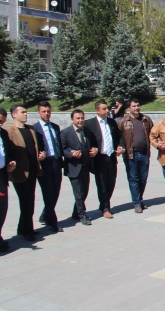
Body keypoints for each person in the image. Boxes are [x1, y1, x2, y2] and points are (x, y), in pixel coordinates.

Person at [5, 105, 45, 241]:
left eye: (26, 112)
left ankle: (22, 228)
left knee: (30, 200)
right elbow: (7, 151)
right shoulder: (9, 131)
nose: (25, 114)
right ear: (14, 115)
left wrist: (40, 155)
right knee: (26, 201)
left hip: (32, 171)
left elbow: (35, 147)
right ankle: (28, 231)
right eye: (22, 112)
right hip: (19, 173)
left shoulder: (31, 129)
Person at [85, 99, 124, 219]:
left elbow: (119, 136)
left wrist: (120, 146)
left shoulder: (112, 122)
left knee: (111, 183)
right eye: (104, 109)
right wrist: (92, 149)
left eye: (107, 108)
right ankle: (106, 208)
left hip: (111, 157)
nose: (107, 111)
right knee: (101, 184)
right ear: (97, 111)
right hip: (99, 159)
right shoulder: (89, 124)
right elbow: (85, 140)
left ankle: (104, 204)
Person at [61, 110, 98, 226]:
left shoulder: (86, 131)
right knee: (78, 193)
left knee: (84, 192)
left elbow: (92, 144)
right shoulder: (65, 132)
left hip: (85, 167)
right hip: (73, 167)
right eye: (78, 118)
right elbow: (62, 149)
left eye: (82, 118)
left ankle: (76, 212)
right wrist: (70, 153)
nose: (80, 120)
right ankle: (82, 215)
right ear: (72, 119)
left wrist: (94, 149)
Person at [118, 99, 154, 213]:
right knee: (134, 179)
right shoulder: (123, 121)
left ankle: (139, 199)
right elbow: (119, 137)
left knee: (143, 179)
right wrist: (120, 148)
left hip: (144, 154)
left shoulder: (146, 119)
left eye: (138, 105)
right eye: (134, 106)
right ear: (129, 108)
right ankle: (137, 203)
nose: (136, 108)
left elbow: (153, 134)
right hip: (131, 155)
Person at [33, 101, 65, 232]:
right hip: (44, 165)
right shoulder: (34, 129)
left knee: (56, 192)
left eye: (48, 111)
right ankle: (52, 222)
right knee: (48, 193)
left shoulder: (55, 127)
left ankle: (45, 215)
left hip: (56, 162)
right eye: (44, 111)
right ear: (39, 112)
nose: (47, 114)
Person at [0, 108, 17, 252]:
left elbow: (6, 152)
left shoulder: (3, 133)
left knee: (2, 207)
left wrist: (9, 163)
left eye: (3, 122)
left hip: (1, 175)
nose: (1, 124)